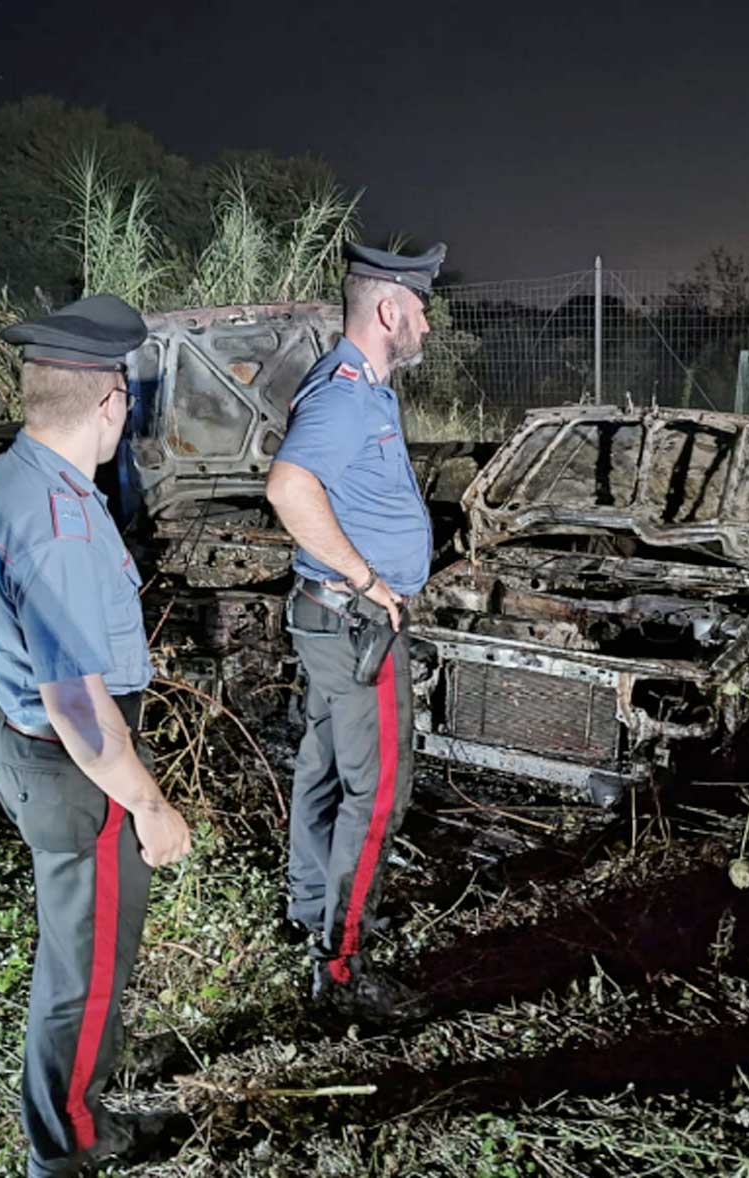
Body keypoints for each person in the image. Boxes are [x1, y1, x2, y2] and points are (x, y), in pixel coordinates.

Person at [0, 294, 192, 1177]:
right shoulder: (56, 524)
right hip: (75, 768)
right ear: (108, 401)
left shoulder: (9, 480)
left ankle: (88, 1077)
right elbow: (82, 712)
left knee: (83, 954)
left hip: (28, 743)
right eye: (128, 397)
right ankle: (68, 1145)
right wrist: (151, 807)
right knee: (84, 970)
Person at [264, 240, 446, 1016]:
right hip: (357, 623)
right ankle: (340, 967)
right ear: (387, 309)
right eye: (421, 310)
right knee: (377, 794)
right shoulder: (344, 393)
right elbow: (289, 487)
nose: (428, 326)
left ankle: (313, 910)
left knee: (325, 770)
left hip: (334, 620)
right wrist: (371, 581)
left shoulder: (367, 387)